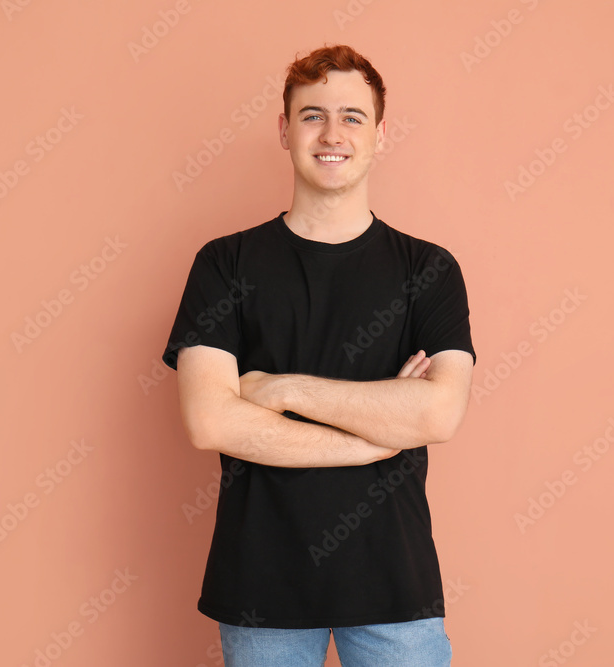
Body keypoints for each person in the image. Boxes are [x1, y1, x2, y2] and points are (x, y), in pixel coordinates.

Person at [162, 43, 475, 667]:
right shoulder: (224, 264)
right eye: (312, 115)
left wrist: (280, 391)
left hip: (395, 585)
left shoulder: (429, 270)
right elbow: (210, 422)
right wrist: (378, 435)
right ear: (284, 130)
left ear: (380, 134)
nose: (332, 133)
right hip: (261, 587)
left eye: (352, 117)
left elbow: (438, 416)